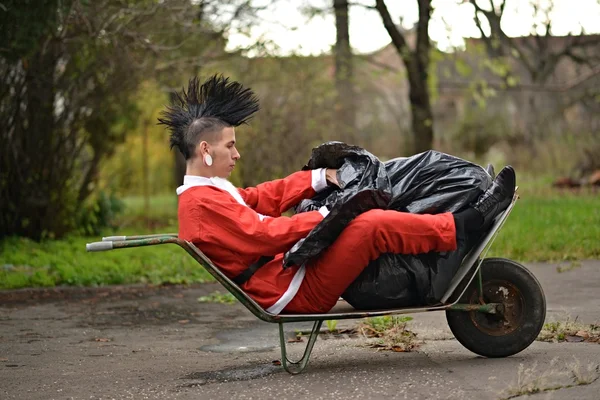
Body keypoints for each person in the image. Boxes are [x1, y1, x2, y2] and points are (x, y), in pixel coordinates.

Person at [158, 74, 516, 315]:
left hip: (291, 270)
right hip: (293, 290)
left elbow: (258, 198)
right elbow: (261, 234)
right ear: (205, 150)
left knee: (374, 197)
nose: (236, 155)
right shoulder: (200, 205)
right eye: (230, 146)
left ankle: (463, 195)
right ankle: (465, 223)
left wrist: (320, 177)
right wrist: (332, 214)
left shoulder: (208, 192)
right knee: (370, 225)